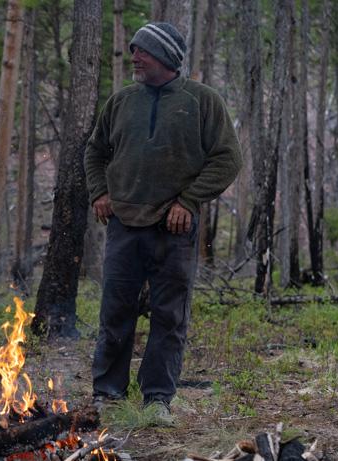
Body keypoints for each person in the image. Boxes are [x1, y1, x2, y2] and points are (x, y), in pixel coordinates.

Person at [84, 22, 241, 424]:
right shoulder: (120, 102)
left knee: (169, 316)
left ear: (167, 58)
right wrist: (99, 193)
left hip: (174, 229)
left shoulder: (203, 101)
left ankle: (157, 399)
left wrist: (188, 201)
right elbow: (96, 152)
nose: (135, 56)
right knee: (115, 311)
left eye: (144, 51)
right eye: (134, 49)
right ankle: (108, 394)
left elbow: (227, 159)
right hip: (124, 225)